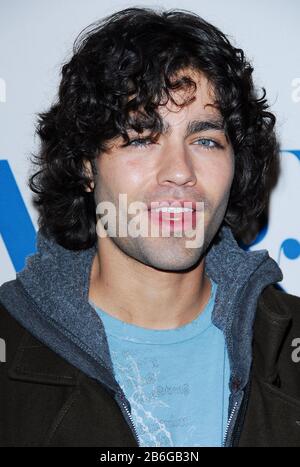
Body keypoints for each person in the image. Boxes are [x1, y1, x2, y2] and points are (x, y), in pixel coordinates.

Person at [0, 7, 299, 448]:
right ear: (87, 165)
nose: (179, 172)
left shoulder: (289, 341)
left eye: (205, 141)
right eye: (141, 137)